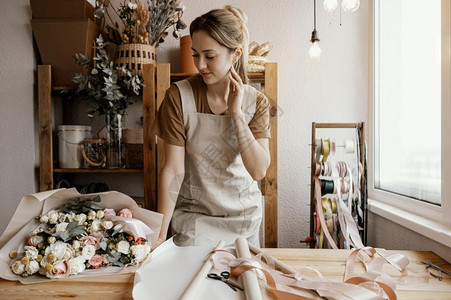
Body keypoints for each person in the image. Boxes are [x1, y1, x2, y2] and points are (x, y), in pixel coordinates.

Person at [153, 5, 271, 249]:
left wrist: (236, 114)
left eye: (210, 56)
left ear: (235, 54)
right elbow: (173, 170)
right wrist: (159, 235)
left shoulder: (256, 102)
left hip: (243, 222)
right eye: (196, 54)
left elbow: (258, 170)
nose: (201, 65)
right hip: (195, 221)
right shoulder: (178, 97)